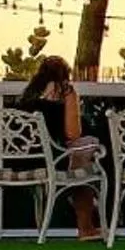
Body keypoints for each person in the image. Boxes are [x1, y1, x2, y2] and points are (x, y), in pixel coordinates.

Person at [18, 56, 103, 237]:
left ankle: (86, 224)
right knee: (86, 160)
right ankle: (86, 226)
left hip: (24, 159)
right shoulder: (65, 91)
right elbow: (73, 133)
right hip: (54, 159)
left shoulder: (28, 95)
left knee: (82, 157)